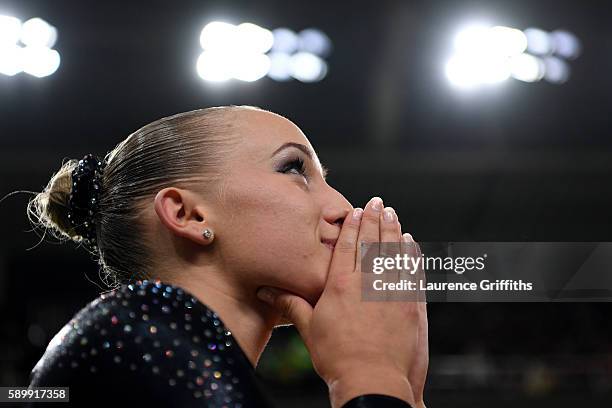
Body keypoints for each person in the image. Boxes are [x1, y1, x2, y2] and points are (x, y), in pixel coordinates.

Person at [26, 106, 428, 407]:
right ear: (188, 214)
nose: (343, 207)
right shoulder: (130, 334)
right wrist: (370, 371)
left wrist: (405, 389)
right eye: (293, 169)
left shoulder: (166, 347)